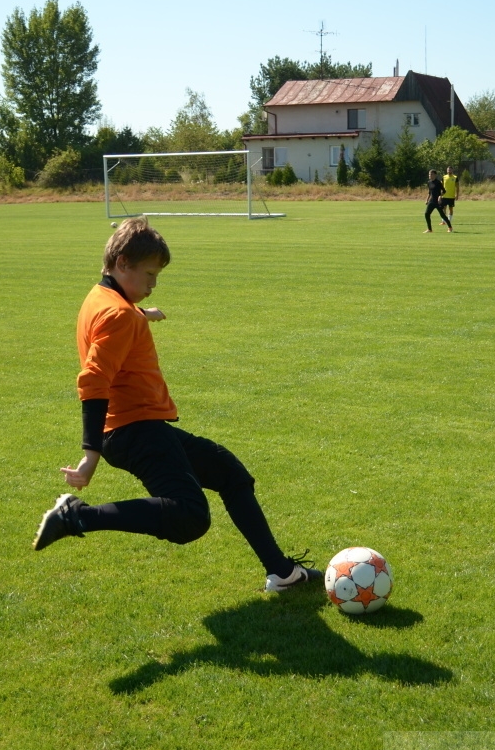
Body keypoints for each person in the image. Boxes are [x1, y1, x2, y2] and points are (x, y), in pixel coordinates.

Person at [32, 218, 321, 592]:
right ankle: (78, 517)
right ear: (123, 263)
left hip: (137, 427)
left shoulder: (105, 298)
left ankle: (281, 573)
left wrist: (140, 315)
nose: (154, 284)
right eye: (150, 274)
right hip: (136, 430)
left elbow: (113, 323)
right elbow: (93, 379)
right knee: (189, 516)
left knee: (230, 474)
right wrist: (90, 454)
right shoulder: (119, 313)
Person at [424, 169, 452, 233]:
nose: (430, 175)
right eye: (429, 174)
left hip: (438, 201)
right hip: (431, 201)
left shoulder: (438, 182)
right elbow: (429, 192)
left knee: (442, 215)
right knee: (426, 214)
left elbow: (444, 191)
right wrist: (427, 200)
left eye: (431, 174)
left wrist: (440, 196)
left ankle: (450, 227)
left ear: (435, 175)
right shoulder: (429, 182)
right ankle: (429, 229)